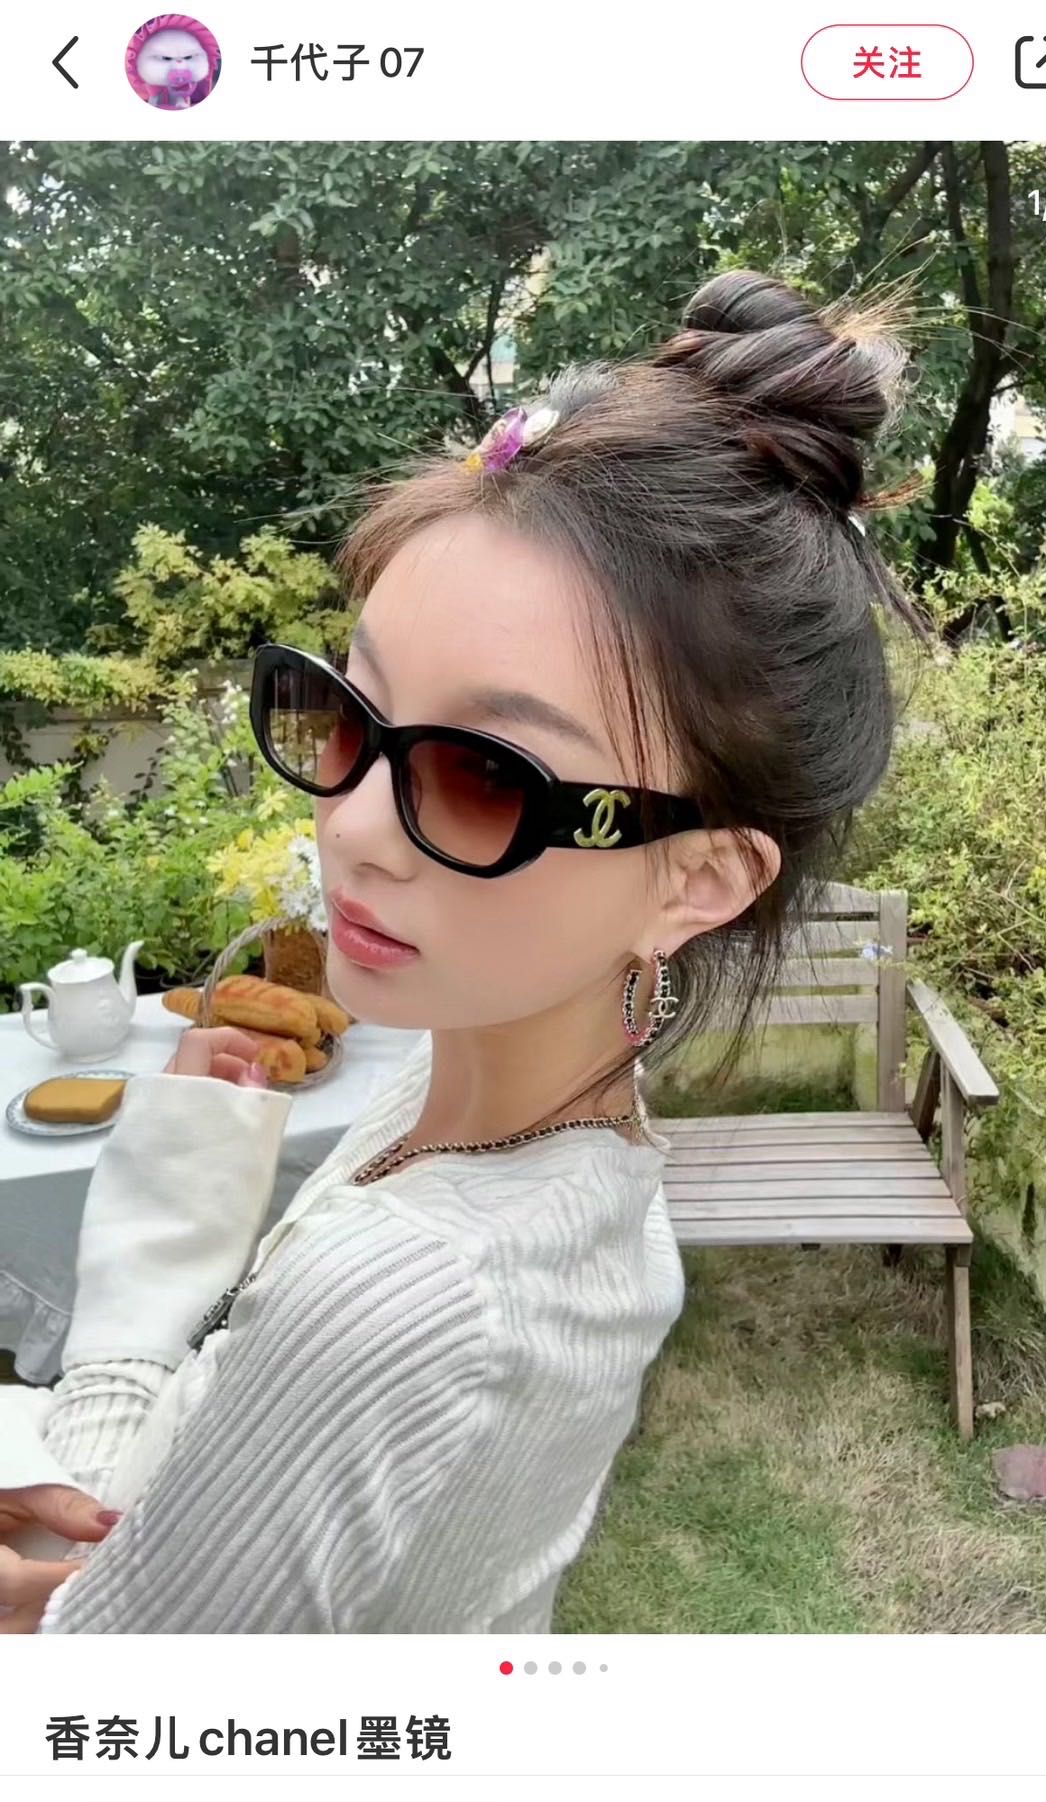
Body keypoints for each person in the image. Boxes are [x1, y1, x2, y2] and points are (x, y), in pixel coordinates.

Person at [0, 268, 926, 1633]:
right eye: (345, 712)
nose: (352, 828)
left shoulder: (414, 1293)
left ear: (699, 878)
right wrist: (200, 1155)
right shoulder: (523, 1108)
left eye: (488, 776)